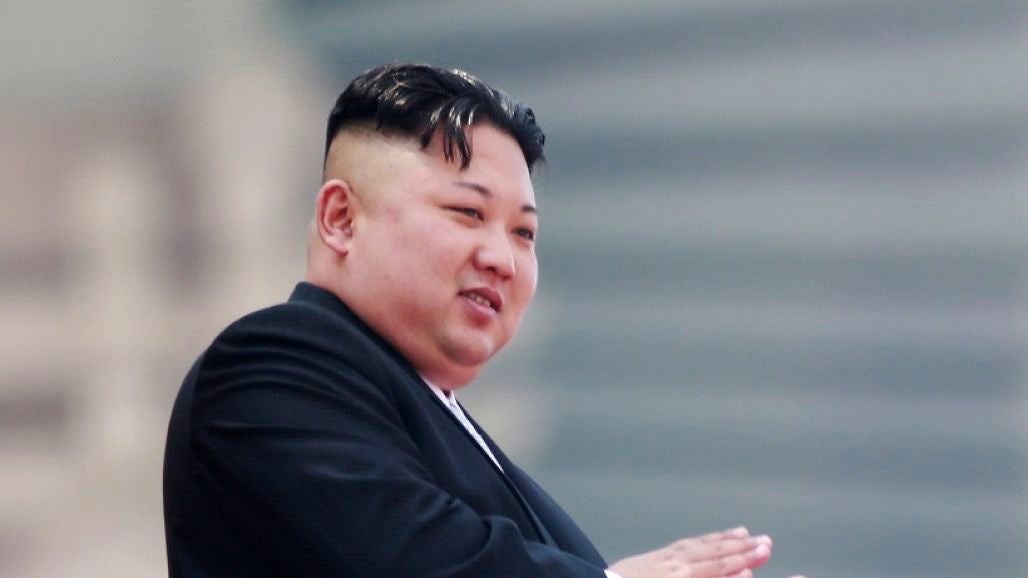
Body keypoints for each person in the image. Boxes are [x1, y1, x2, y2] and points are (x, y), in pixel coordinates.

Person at [163, 63, 798, 578]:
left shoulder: (444, 424)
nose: (502, 258)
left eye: (524, 232)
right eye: (468, 213)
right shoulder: (268, 366)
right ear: (341, 219)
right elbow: (413, 562)